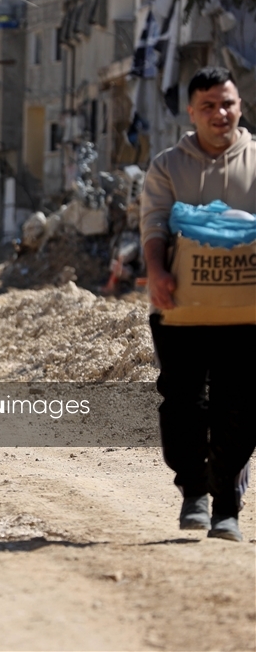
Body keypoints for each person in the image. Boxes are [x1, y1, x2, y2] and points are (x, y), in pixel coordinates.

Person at [140, 67, 256, 542]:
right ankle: (194, 491)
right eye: (208, 105)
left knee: (241, 405)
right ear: (191, 112)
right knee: (184, 402)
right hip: (180, 308)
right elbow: (154, 225)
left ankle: (226, 504)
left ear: (240, 107)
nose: (219, 113)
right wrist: (157, 271)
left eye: (226, 103)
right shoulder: (169, 165)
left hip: (246, 313)